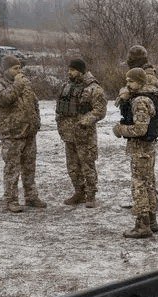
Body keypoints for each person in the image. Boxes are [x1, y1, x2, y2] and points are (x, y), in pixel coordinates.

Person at [0, 54, 46, 213]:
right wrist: (18, 85)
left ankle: (31, 197)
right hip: (11, 133)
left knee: (29, 167)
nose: (19, 71)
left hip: (29, 132)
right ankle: (11, 200)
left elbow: (34, 102)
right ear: (6, 69)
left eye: (20, 68)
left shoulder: (23, 82)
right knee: (12, 168)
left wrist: (36, 120)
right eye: (15, 68)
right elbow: (3, 100)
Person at [112, 68, 158, 238]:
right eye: (127, 81)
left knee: (139, 185)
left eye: (131, 81)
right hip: (147, 148)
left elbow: (140, 129)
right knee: (148, 183)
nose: (128, 84)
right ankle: (152, 220)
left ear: (140, 82)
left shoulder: (140, 101)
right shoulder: (146, 96)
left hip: (141, 149)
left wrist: (120, 129)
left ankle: (142, 225)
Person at [55, 58, 107, 207]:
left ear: (80, 71)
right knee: (72, 166)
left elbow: (100, 110)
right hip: (68, 135)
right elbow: (60, 108)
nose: (69, 72)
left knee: (87, 165)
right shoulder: (67, 86)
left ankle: (90, 195)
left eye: (72, 70)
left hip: (85, 135)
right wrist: (60, 123)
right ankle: (79, 192)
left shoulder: (93, 88)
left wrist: (85, 120)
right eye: (69, 70)